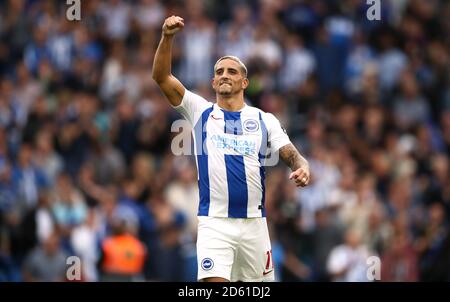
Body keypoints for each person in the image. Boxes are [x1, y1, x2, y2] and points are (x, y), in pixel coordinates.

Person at [152, 16, 310, 282]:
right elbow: (162, 77)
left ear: (244, 83)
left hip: (254, 225)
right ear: (214, 83)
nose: (224, 75)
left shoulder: (264, 119)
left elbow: (290, 153)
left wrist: (302, 166)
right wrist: (167, 37)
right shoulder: (200, 111)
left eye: (232, 71)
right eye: (219, 72)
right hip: (215, 222)